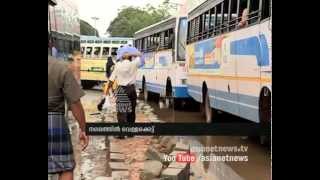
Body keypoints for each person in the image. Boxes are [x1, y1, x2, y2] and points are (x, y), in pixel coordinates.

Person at [48, 55, 89, 180]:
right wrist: (83, 129)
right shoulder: (61, 68)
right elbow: (74, 103)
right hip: (54, 123)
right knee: (65, 168)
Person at [105, 47, 144, 138]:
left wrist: (107, 90)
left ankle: (121, 134)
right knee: (131, 112)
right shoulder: (134, 63)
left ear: (122, 57)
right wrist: (133, 54)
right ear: (130, 57)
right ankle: (130, 133)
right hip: (132, 89)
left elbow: (111, 79)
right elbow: (141, 56)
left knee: (122, 112)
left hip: (122, 89)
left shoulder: (118, 65)